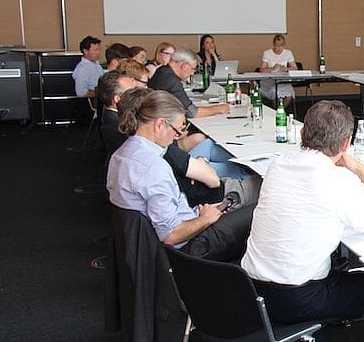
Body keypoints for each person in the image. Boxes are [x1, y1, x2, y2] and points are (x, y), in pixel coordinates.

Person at [241, 100, 364, 342]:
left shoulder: (279, 164)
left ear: (304, 131)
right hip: (295, 299)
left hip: (250, 290)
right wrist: (362, 172)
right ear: (346, 143)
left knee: (316, 262)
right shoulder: (338, 181)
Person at [106, 91, 254, 263]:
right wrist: (205, 219)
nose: (176, 138)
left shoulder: (120, 155)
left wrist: (199, 215)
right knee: (259, 208)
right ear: (160, 124)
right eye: (176, 131)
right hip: (189, 248)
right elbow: (171, 235)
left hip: (154, 242)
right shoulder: (154, 168)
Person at [109, 86, 260, 208]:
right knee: (264, 184)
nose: (177, 134)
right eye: (176, 129)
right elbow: (213, 181)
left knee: (207, 144)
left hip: (196, 197)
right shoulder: (161, 154)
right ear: (159, 122)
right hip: (214, 198)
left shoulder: (126, 151)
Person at [149, 47, 230, 120]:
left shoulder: (162, 70)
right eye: (192, 69)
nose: (192, 73)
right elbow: (192, 112)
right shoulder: (172, 81)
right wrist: (218, 108)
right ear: (184, 65)